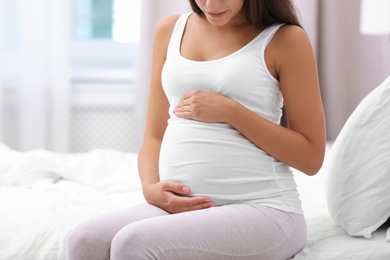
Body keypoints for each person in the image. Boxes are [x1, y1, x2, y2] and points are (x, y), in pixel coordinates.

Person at [67, 0, 326, 259]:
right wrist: (150, 187)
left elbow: (311, 158)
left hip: (264, 209)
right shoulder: (170, 30)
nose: (211, 4)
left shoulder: (285, 39)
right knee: (85, 240)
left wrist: (231, 111)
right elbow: (154, 134)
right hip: (184, 209)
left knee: (133, 243)